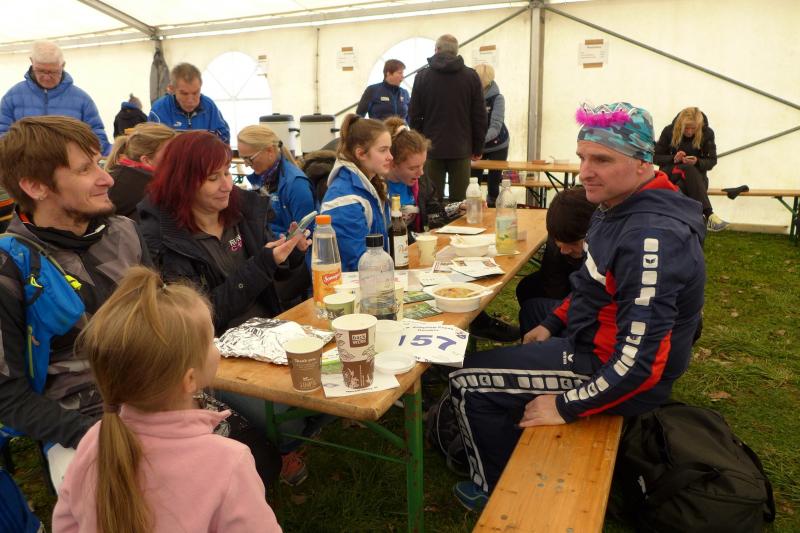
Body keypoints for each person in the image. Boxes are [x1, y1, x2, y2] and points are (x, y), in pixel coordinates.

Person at [449, 102, 706, 511]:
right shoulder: (616, 205)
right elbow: (592, 285)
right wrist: (552, 322)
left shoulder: (650, 239)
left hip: (615, 371)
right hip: (597, 340)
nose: (585, 171)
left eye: (602, 159)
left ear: (643, 162)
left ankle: (495, 494)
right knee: (534, 312)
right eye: (583, 157)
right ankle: (513, 423)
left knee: (467, 382)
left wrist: (565, 405)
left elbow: (639, 366)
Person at [137, 130, 320, 486]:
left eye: (227, 173)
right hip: (213, 352)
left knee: (329, 383)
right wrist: (263, 264)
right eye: (212, 178)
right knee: (293, 415)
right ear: (183, 182)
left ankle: (286, 438)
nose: (227, 185)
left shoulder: (240, 212)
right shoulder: (162, 240)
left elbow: (273, 279)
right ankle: (281, 445)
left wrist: (290, 258)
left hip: (267, 331)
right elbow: (199, 317)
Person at [52, 267, 281, 532]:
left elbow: (66, 523)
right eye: (210, 340)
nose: (216, 345)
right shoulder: (228, 462)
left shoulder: (96, 439)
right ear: (190, 380)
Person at [0, 116, 147, 490]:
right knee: (131, 496)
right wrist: (95, 435)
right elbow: (7, 395)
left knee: (246, 456)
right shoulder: (10, 267)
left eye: (100, 162)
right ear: (35, 186)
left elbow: (159, 319)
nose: (107, 178)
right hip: (79, 422)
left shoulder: (124, 232)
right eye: (85, 169)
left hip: (155, 392)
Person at [408, 34, 487, 202]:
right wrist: (478, 147)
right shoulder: (471, 76)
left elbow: (414, 115)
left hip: (430, 149)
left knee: (431, 201)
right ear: (456, 51)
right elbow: (479, 116)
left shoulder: (422, 77)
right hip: (461, 149)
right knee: (461, 204)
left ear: (436, 50)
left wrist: (419, 144)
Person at [0, 40, 111, 154]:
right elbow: (2, 135)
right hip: (25, 163)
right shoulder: (12, 97)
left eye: (53, 72)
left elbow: (98, 138)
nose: (46, 77)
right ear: (32, 62)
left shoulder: (82, 99)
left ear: (63, 65)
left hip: (69, 164)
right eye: (41, 71)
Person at [516, 187, 596, 337]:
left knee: (531, 310)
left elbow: (590, 292)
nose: (564, 250)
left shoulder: (603, 247)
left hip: (595, 310)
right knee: (527, 287)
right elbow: (553, 284)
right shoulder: (561, 231)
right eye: (558, 242)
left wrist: (553, 321)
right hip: (575, 291)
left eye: (573, 243)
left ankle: (561, 342)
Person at [320, 114, 393, 271]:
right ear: (361, 154)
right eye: (383, 150)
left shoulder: (370, 185)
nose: (390, 157)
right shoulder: (344, 199)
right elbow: (358, 264)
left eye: (389, 149)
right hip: (351, 283)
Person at [654, 107, 728, 232]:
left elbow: (712, 161)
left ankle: (674, 224)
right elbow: (655, 157)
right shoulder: (669, 131)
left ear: (699, 126)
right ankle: (709, 214)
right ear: (680, 125)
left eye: (693, 128)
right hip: (671, 173)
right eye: (686, 128)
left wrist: (697, 161)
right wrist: (674, 158)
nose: (689, 131)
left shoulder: (707, 133)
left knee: (681, 186)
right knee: (687, 169)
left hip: (696, 180)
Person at [238, 124, 317, 237]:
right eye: (243, 158)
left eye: (249, 159)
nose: (246, 165)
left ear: (270, 151)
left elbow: (305, 236)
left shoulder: (297, 185)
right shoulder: (261, 178)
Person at [106, 122, 176, 220]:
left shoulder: (121, 174)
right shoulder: (152, 188)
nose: (177, 156)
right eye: (170, 152)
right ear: (146, 160)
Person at [148, 63, 230, 143]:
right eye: (184, 94)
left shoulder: (209, 106)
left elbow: (224, 139)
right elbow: (153, 144)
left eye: (195, 93)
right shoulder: (159, 110)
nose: (190, 100)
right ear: (171, 89)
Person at [470, 64, 510, 206]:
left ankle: (493, 207)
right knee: (474, 181)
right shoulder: (470, 96)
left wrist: (479, 139)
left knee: (493, 184)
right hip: (477, 145)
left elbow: (496, 126)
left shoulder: (498, 98)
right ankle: (474, 207)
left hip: (498, 145)